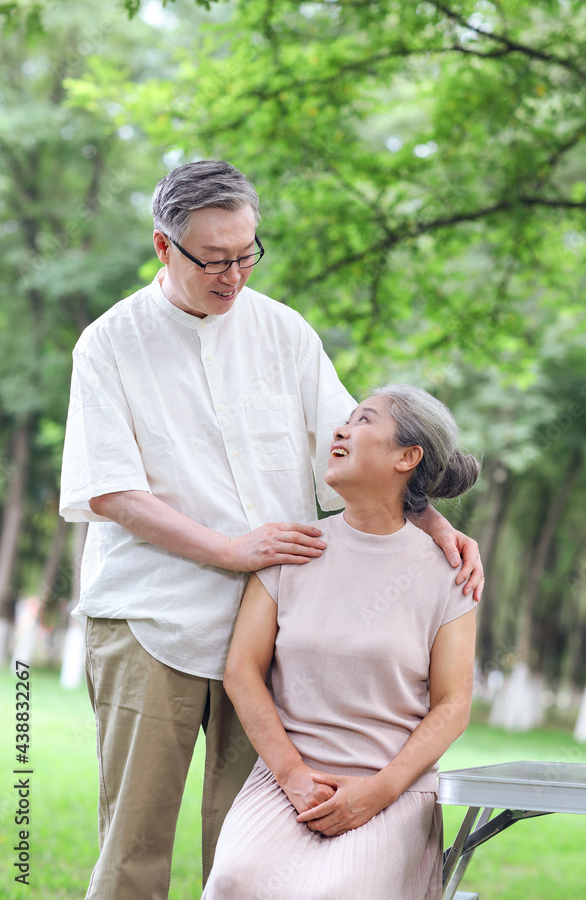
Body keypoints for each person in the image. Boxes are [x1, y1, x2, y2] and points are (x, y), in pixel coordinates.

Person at [59, 160, 484, 900]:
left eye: (247, 253)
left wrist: (437, 522)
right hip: (149, 618)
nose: (233, 275)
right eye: (213, 260)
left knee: (251, 850)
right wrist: (228, 549)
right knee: (134, 849)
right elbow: (111, 491)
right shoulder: (109, 343)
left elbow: (362, 448)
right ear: (164, 248)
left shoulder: (284, 331)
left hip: (272, 638)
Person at [203, 384, 479, 900]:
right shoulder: (293, 548)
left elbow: (453, 704)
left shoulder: (447, 574)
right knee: (234, 881)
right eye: (345, 420)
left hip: (392, 791)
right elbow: (241, 670)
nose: (341, 429)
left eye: (364, 420)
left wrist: (377, 793)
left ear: (407, 457)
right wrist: (293, 777)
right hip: (288, 782)